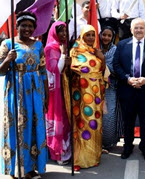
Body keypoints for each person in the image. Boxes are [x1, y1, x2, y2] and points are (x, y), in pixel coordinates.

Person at [0, 11, 48, 178]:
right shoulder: (7, 44)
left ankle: (30, 168)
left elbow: (43, 71)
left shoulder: (39, 46)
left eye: (30, 26)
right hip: (16, 92)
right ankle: (15, 169)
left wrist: (46, 96)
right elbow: (0, 71)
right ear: (17, 26)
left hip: (36, 93)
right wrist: (7, 60)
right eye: (24, 25)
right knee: (17, 129)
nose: (27, 29)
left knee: (34, 129)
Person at [113, 18, 145, 162]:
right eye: (136, 28)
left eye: (141, 28)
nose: (139, 30)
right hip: (127, 89)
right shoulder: (122, 45)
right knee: (128, 121)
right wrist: (127, 79)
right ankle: (127, 146)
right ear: (131, 30)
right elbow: (116, 65)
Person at [69, 25, 106, 171]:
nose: (90, 38)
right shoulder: (75, 51)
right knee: (82, 124)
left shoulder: (96, 51)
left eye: (92, 35)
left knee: (95, 123)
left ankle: (94, 156)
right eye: (87, 35)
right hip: (82, 95)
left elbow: (102, 71)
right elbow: (71, 72)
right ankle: (80, 159)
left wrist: (102, 58)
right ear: (82, 36)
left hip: (96, 94)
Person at [44, 21, 71, 165]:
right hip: (55, 92)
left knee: (66, 121)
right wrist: (62, 57)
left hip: (64, 90)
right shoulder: (50, 48)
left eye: (65, 31)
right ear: (54, 32)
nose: (64, 34)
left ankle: (66, 151)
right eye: (61, 31)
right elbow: (54, 71)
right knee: (57, 122)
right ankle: (58, 153)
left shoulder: (64, 47)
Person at [100, 26, 121, 150]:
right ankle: (96, 142)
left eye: (109, 35)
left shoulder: (115, 50)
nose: (106, 38)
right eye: (104, 35)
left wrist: (106, 69)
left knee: (109, 115)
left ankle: (108, 143)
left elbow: (117, 68)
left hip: (110, 86)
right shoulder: (95, 48)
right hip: (94, 86)